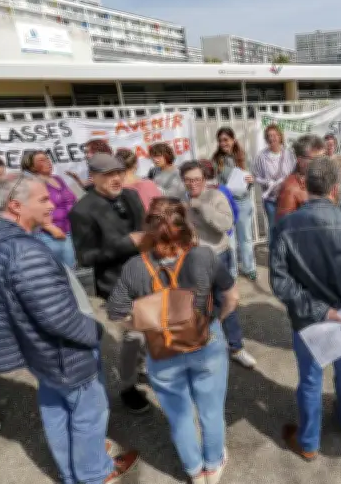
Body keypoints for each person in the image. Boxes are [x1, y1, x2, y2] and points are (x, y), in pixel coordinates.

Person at [0, 174, 139, 483]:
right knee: (88, 414)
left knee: (56, 409)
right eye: (42, 200)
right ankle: (95, 474)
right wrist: (93, 332)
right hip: (63, 352)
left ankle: (72, 472)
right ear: (15, 206)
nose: (52, 205)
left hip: (38, 351)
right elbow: (58, 318)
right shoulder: (22, 251)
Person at [106, 198, 238, 484]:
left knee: (179, 414)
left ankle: (193, 470)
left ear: (149, 229)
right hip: (206, 343)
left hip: (162, 349)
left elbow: (116, 311)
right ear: (186, 226)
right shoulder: (204, 256)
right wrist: (216, 321)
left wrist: (145, 325)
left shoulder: (135, 266)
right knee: (211, 410)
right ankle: (213, 466)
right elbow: (231, 297)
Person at [271, 157, 341, 460]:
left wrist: (321, 310)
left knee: (310, 378)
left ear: (305, 185)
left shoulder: (285, 226)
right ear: (335, 188)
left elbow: (281, 285)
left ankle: (309, 444)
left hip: (309, 319)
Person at [69, 154, 150, 414]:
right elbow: (86, 257)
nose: (116, 178)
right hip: (116, 284)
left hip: (149, 277)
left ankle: (145, 369)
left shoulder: (132, 196)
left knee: (151, 330)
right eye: (108, 174)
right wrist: (128, 244)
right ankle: (127, 387)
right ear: (92, 177)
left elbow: (146, 229)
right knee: (131, 337)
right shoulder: (82, 210)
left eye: (119, 172)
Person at [181, 160, 257, 369]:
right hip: (194, 259)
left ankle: (236, 347)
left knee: (227, 301)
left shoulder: (216, 196)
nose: (193, 184)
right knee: (199, 304)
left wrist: (202, 207)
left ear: (204, 179)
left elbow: (225, 224)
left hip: (218, 255)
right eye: (188, 180)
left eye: (197, 179)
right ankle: (206, 345)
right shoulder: (181, 200)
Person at [212, 127, 257, 281]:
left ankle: (249, 267)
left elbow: (250, 180)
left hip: (243, 203)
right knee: (229, 240)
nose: (223, 143)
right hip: (225, 205)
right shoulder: (216, 160)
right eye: (220, 140)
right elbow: (213, 181)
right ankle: (232, 272)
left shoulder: (243, 158)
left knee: (246, 238)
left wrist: (251, 181)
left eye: (226, 139)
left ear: (233, 140)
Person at [21, 150, 78, 268]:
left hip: (68, 231)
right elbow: (30, 211)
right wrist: (50, 228)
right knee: (59, 273)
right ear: (31, 166)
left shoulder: (58, 179)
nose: (48, 162)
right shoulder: (31, 184)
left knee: (70, 272)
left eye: (47, 159)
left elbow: (71, 199)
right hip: (49, 235)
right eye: (42, 160)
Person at [252, 125, 296, 241]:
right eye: (269, 136)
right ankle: (273, 254)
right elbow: (256, 177)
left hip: (287, 197)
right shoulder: (261, 156)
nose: (272, 138)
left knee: (288, 227)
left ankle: (287, 255)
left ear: (280, 137)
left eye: (275, 135)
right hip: (270, 199)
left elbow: (294, 173)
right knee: (273, 228)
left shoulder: (289, 154)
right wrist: (268, 182)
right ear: (266, 139)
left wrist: (285, 182)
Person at [200, 159, 240, 279]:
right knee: (230, 253)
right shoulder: (223, 188)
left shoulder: (218, 190)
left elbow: (233, 208)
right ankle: (232, 277)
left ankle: (230, 278)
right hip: (225, 230)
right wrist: (232, 223)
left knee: (227, 255)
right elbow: (234, 209)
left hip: (218, 232)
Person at [275, 135, 326, 222]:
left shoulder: (325, 180)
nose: (322, 163)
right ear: (300, 160)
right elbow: (284, 226)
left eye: (323, 158)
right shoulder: (290, 188)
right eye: (316, 159)